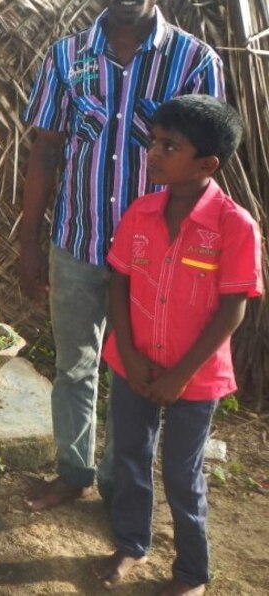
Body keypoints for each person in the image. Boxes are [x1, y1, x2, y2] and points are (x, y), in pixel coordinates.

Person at [19, 0, 226, 513]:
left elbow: (205, 169)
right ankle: (74, 471)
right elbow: (44, 153)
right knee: (74, 365)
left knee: (137, 375)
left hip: (156, 258)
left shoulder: (194, 63)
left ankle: (119, 482)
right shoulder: (67, 59)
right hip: (78, 242)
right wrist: (31, 242)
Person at [92, 95, 262, 595]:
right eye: (154, 141)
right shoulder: (141, 213)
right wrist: (130, 351)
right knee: (129, 456)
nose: (154, 152)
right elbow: (118, 281)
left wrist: (179, 375)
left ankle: (192, 572)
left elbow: (233, 309)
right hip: (134, 364)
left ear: (207, 163)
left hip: (195, 375)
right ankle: (130, 543)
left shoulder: (235, 227)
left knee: (182, 474)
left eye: (170, 145)